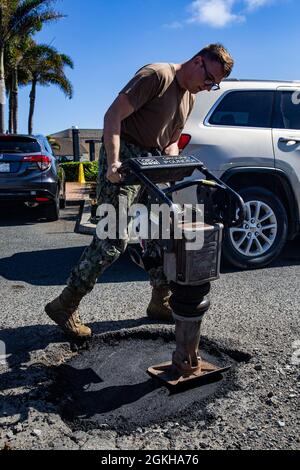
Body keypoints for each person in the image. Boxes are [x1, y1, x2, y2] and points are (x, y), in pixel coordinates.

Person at [45, 43, 234, 338]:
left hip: (152, 164)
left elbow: (170, 141)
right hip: (125, 161)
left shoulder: (189, 99)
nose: (208, 87)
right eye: (209, 79)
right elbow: (112, 117)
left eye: (214, 84)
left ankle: (160, 301)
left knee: (161, 233)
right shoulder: (156, 76)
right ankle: (65, 304)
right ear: (198, 61)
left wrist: (172, 157)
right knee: (113, 237)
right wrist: (113, 161)